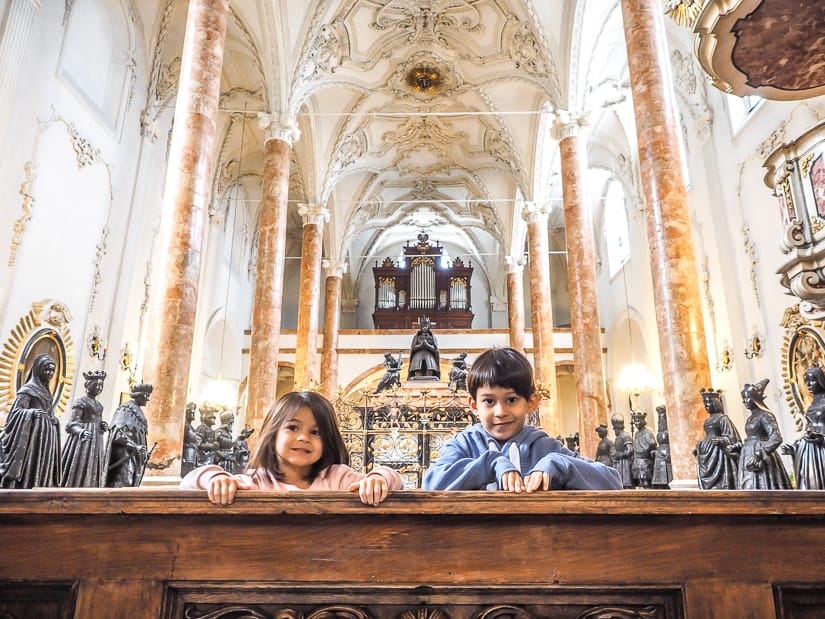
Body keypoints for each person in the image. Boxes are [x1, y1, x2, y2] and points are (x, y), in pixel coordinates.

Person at [422, 348, 621, 491]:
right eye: (489, 401)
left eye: (511, 399)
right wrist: (491, 463)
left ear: (531, 402)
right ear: (474, 405)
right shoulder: (464, 445)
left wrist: (559, 464)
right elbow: (432, 483)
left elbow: (612, 481)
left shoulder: (545, 447)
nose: (500, 411)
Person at [180, 391, 405, 505]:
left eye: (315, 432)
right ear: (273, 434)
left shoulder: (339, 479)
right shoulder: (256, 481)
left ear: (327, 440)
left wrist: (377, 479)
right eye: (293, 428)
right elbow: (189, 481)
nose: (303, 437)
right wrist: (217, 479)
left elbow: (395, 478)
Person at [0, 354, 61, 488]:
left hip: (43, 439)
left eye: (52, 370)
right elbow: (16, 412)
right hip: (30, 439)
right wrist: (32, 412)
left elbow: (48, 412)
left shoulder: (46, 392)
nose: (50, 373)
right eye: (47, 369)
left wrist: (53, 420)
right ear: (38, 370)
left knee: (39, 466)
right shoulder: (27, 390)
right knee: (29, 465)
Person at [737, 378, 791, 490]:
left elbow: (776, 438)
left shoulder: (765, 415)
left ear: (754, 398)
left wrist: (760, 453)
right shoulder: (750, 418)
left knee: (764, 488)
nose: (744, 401)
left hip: (761, 456)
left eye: (747, 397)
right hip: (747, 455)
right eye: (743, 398)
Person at [61, 370, 109, 487]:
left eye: (101, 385)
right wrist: (81, 431)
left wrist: (102, 425)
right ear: (88, 384)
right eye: (96, 384)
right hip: (82, 441)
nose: (98, 387)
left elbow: (97, 420)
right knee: (80, 464)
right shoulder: (81, 402)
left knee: (93, 464)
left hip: (96, 439)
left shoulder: (99, 406)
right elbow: (71, 424)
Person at [782, 365, 825, 489]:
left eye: (812, 380)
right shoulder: (811, 404)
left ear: (821, 380)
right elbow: (808, 428)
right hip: (809, 447)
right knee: (809, 484)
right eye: (806, 381)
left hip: (821, 447)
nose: (809, 384)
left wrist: (821, 439)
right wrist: (794, 448)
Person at [104, 383, 152, 488]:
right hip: (124, 454)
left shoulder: (137, 410)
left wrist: (143, 453)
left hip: (133, 454)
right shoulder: (126, 409)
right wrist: (135, 446)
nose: (148, 399)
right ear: (140, 395)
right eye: (146, 396)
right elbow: (118, 435)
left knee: (130, 483)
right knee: (124, 482)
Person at [694, 387, 741, 489]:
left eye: (709, 402)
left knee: (722, 480)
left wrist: (721, 440)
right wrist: (700, 445)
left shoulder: (723, 418)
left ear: (715, 403)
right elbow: (707, 436)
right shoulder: (707, 421)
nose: (706, 405)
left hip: (719, 452)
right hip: (708, 451)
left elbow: (731, 436)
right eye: (705, 403)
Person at [630, 410, 656, 488]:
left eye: (638, 421)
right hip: (637, 460)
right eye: (635, 422)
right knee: (639, 481)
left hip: (646, 459)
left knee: (646, 481)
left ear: (643, 420)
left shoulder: (648, 432)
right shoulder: (636, 434)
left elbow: (652, 445)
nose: (636, 423)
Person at [651, 405, 672, 489]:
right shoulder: (660, 432)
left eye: (662, 417)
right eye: (659, 418)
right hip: (659, 455)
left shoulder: (669, 430)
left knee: (668, 480)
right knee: (659, 482)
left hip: (666, 453)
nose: (660, 421)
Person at [610, 412, 633, 489]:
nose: (615, 431)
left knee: (626, 483)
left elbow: (630, 449)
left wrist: (620, 454)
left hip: (625, 462)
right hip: (619, 462)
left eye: (615, 429)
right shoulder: (617, 437)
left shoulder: (625, 435)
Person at [180, 402, 198, 478]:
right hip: (186, 455)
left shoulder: (190, 426)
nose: (193, 414)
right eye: (192, 413)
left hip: (192, 455)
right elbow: (180, 442)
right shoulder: (185, 426)